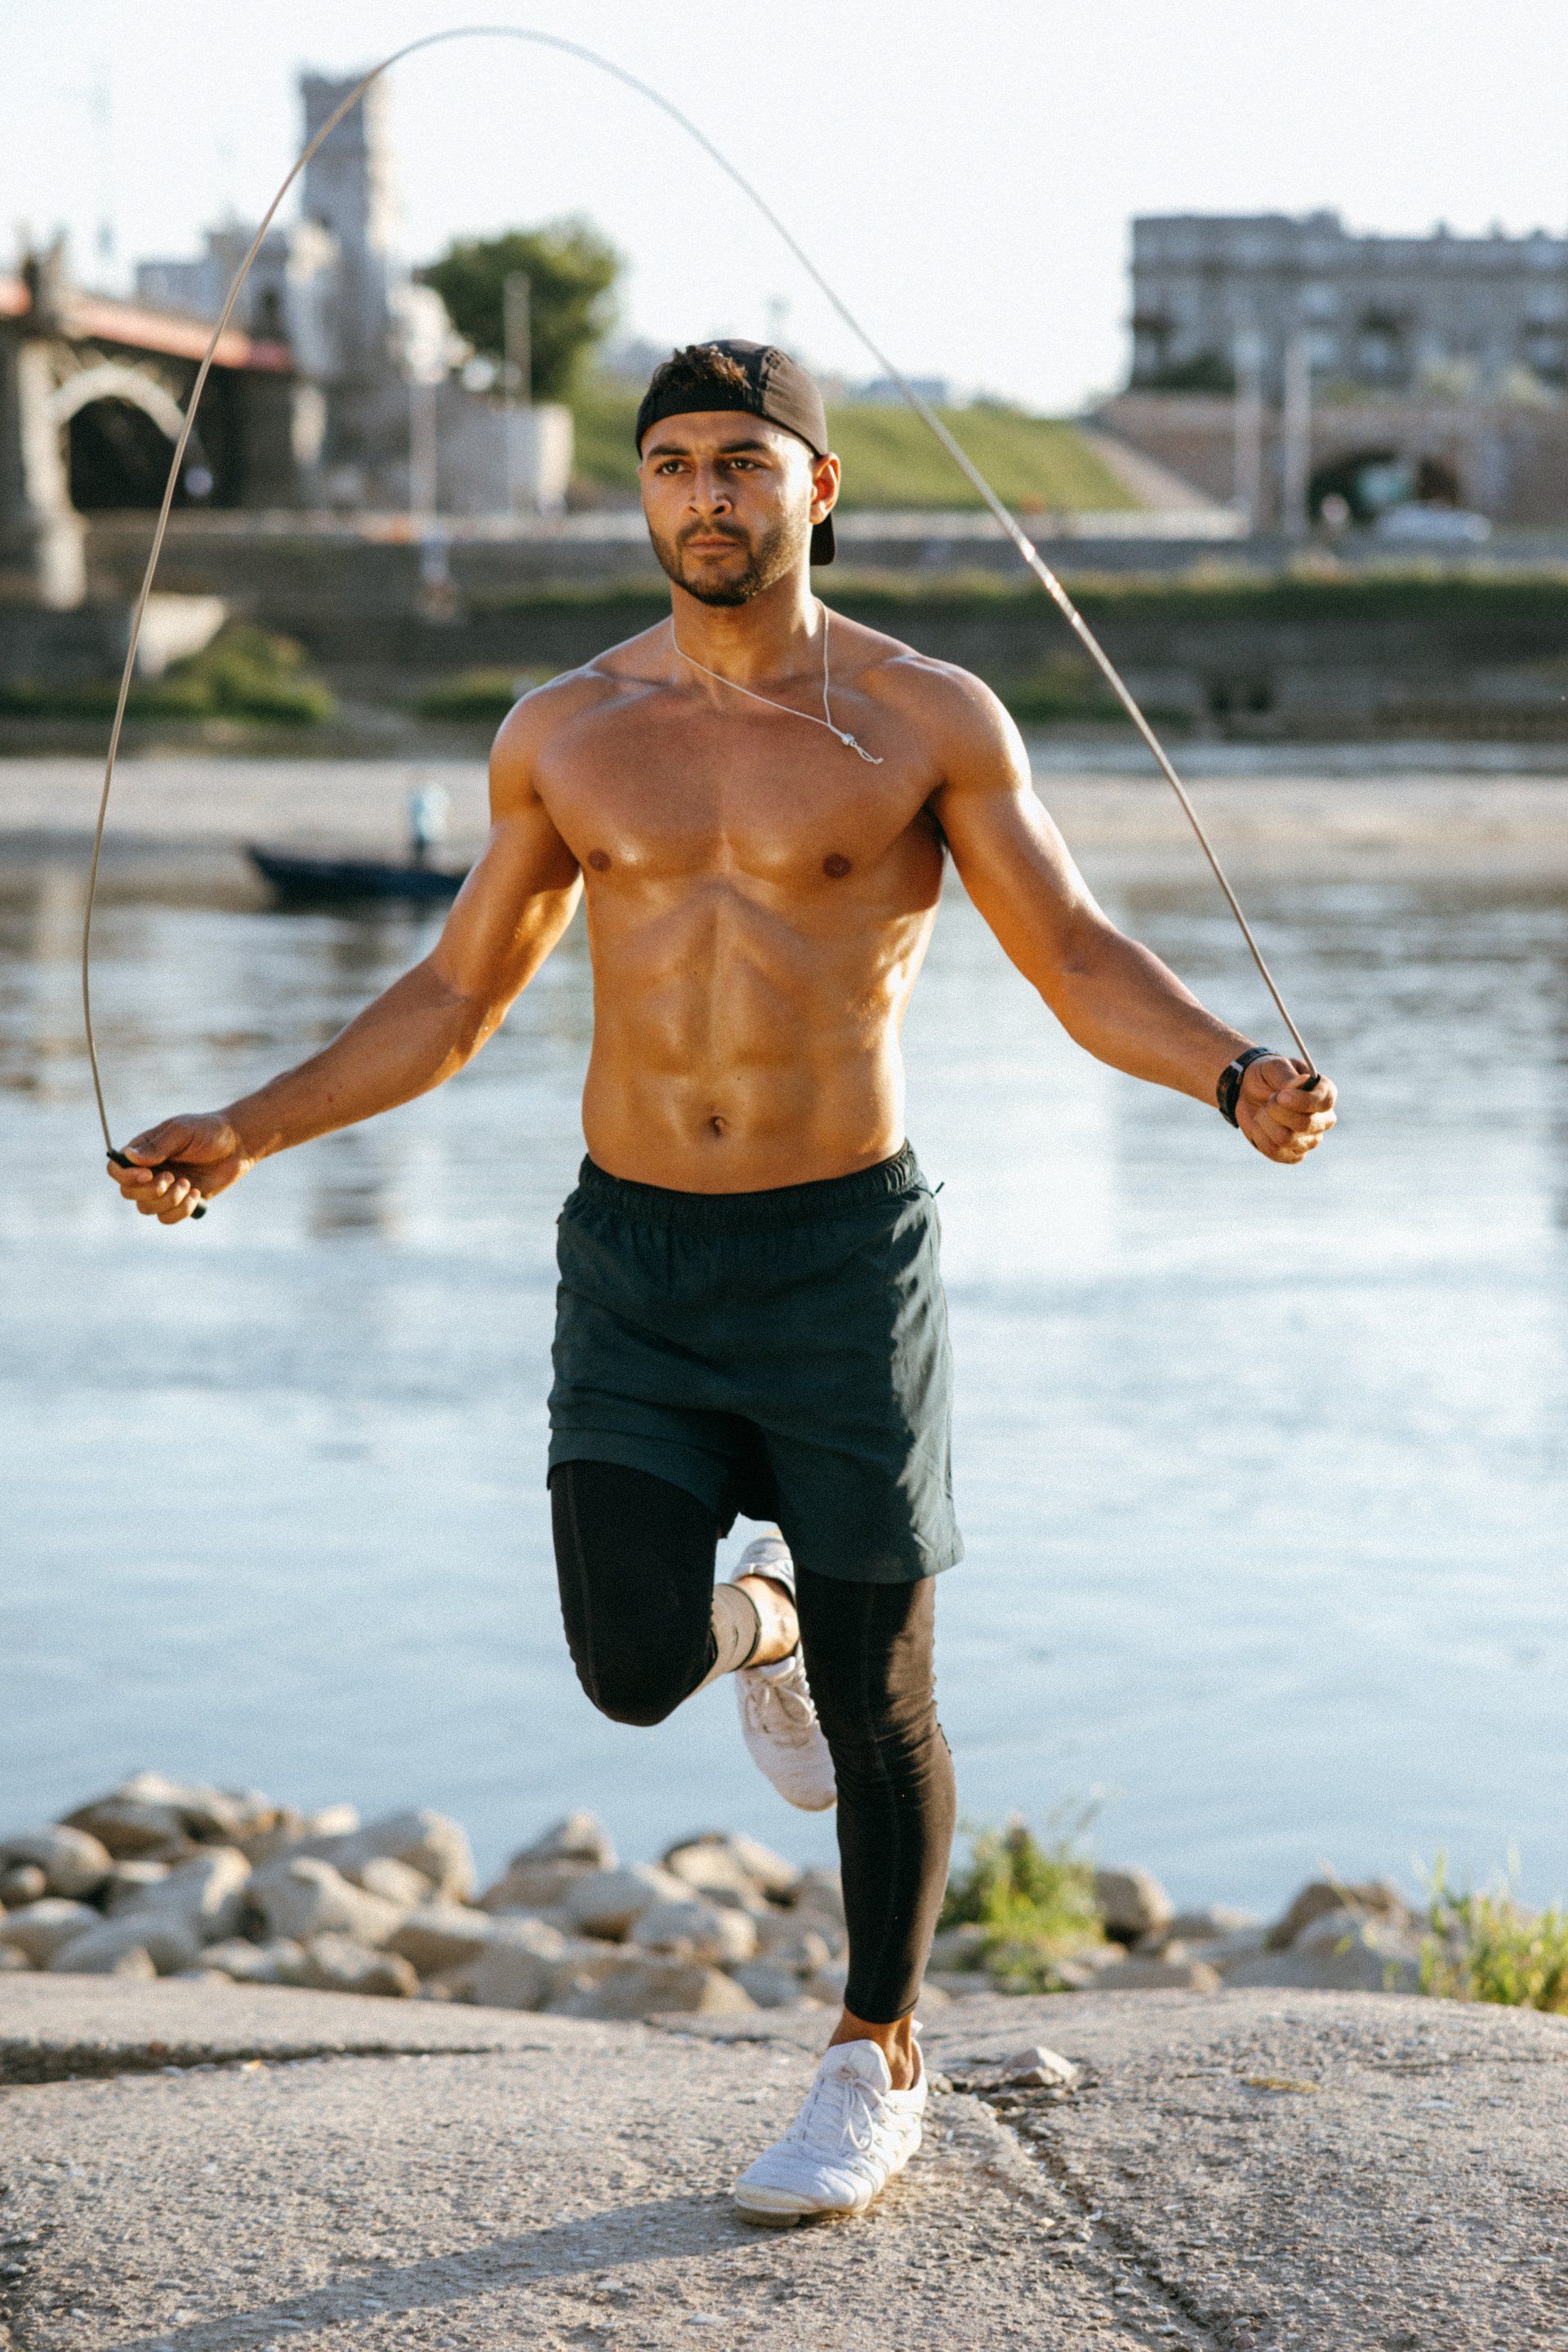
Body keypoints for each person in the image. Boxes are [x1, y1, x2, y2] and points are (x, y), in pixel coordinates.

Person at [108, 339, 1338, 2222]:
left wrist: (1232, 1076)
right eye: (673, 464)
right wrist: (248, 1129)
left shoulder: (931, 720)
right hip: (638, 1254)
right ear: (646, 493)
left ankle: (877, 2055)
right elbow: (452, 999)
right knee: (622, 1666)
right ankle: (745, 1625)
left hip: (844, 1253)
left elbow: (1073, 952)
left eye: (743, 463)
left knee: (889, 1692)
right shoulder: (565, 730)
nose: (706, 495)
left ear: (815, 490)